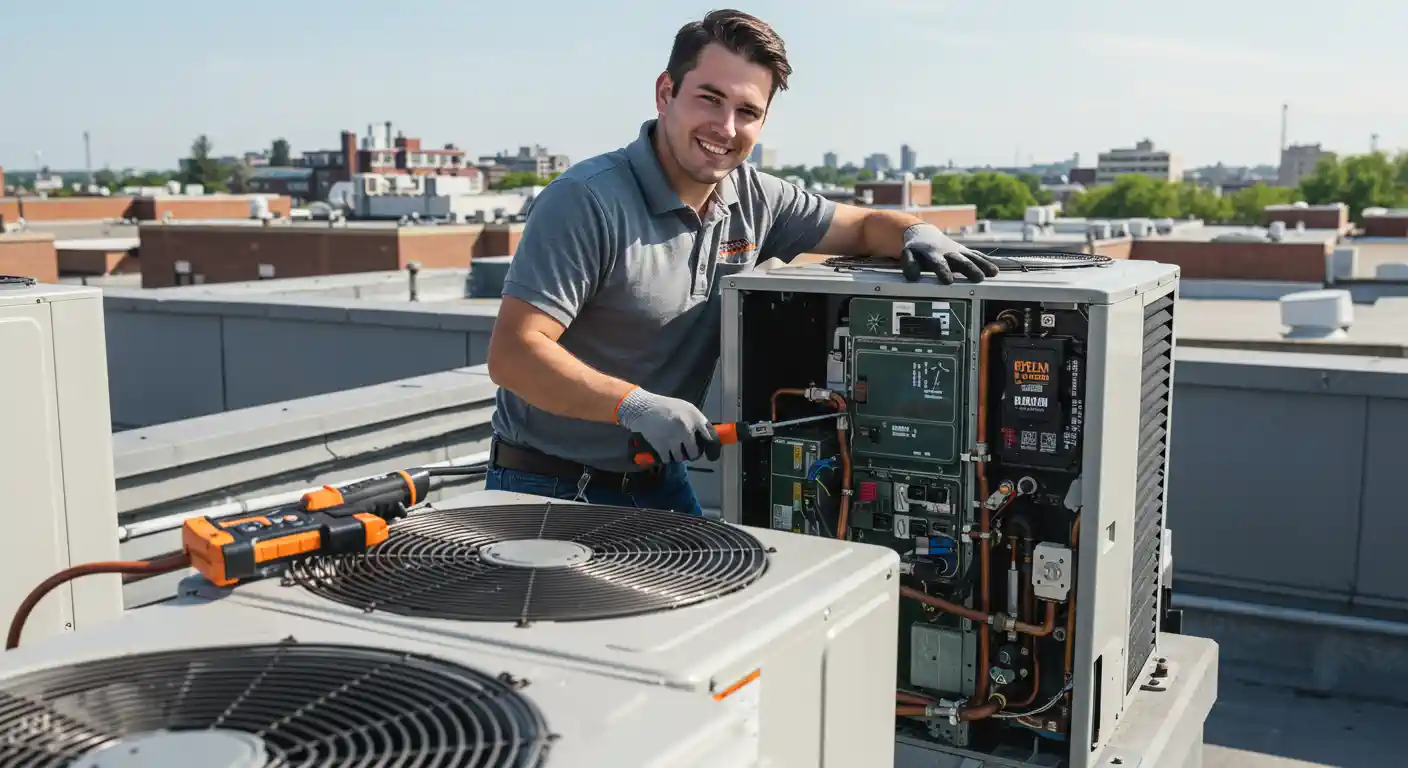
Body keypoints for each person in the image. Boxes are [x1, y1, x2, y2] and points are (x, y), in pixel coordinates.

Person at [484, 9, 998, 516]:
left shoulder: (756, 198)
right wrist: (635, 405)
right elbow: (514, 355)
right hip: (545, 483)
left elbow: (864, 226)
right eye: (709, 99)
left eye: (747, 111)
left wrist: (916, 231)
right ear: (666, 93)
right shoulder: (585, 201)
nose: (725, 127)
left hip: (657, 481)